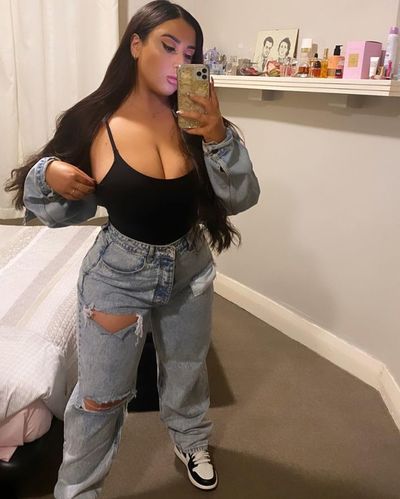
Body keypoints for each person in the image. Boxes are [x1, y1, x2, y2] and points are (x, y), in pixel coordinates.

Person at [5, 1, 260, 497]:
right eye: (168, 46)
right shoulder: (93, 120)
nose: (179, 61)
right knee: (99, 397)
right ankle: (77, 489)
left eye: (190, 53)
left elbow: (241, 197)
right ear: (136, 45)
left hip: (190, 267)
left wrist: (217, 135)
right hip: (118, 274)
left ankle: (191, 440)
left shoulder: (197, 122)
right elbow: (52, 210)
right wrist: (48, 172)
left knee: (187, 369)